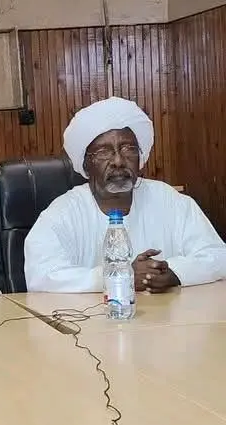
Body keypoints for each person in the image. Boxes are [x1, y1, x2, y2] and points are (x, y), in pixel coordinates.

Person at [24, 97, 226, 293]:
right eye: (104, 152)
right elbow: (41, 276)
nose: (118, 161)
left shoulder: (168, 199)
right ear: (86, 165)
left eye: (128, 149)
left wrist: (172, 272)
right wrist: (120, 276)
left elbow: (217, 255)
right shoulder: (62, 213)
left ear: (140, 158)